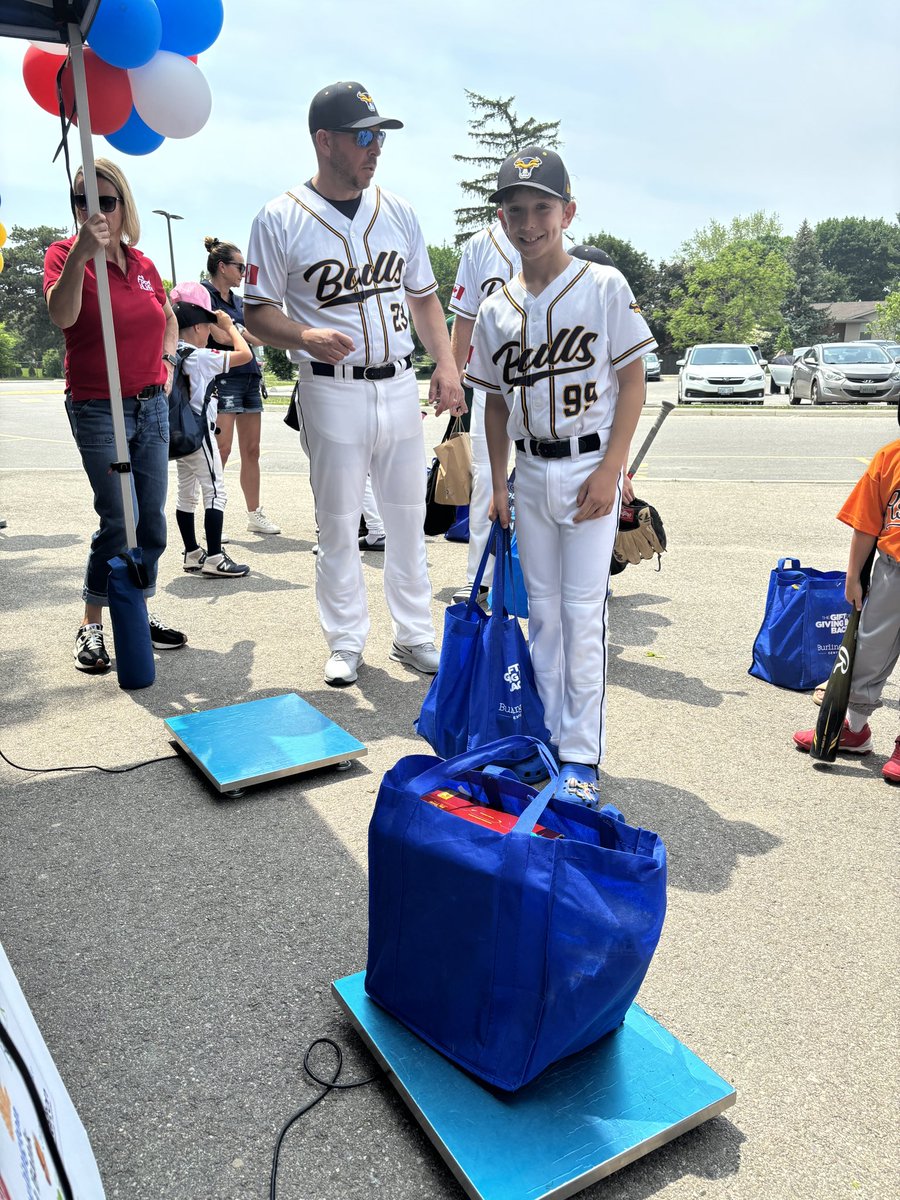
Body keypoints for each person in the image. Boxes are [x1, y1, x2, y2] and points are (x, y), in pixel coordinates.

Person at [244, 80, 463, 687]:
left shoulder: (398, 210)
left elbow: (424, 298)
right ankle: (345, 641)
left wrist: (446, 365)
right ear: (325, 140)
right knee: (339, 523)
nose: (375, 148)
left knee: (407, 519)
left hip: (398, 384)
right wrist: (303, 335)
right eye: (363, 136)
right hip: (329, 385)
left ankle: (414, 635)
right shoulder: (280, 217)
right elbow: (256, 312)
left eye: (379, 137)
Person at [465, 146, 655, 804]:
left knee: (582, 616)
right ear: (501, 219)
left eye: (542, 208)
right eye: (515, 210)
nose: (529, 223)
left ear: (567, 212)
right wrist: (497, 485)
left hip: (587, 466)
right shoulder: (496, 307)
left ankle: (580, 756)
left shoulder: (603, 286)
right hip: (529, 472)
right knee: (541, 615)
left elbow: (633, 382)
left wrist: (612, 469)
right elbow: (493, 404)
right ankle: (545, 739)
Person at [44, 157, 186, 673]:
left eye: (105, 201)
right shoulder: (64, 255)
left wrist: (168, 362)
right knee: (119, 518)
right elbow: (62, 315)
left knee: (151, 519)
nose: (94, 211)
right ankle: (92, 623)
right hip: (98, 405)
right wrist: (82, 255)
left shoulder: (144, 265)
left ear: (124, 206)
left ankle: (134, 607)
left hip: (150, 404)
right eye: (82, 201)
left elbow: (168, 318)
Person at [792, 436, 900, 784]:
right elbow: (866, 522)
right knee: (868, 651)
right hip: (891, 570)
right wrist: (853, 576)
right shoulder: (891, 456)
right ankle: (854, 728)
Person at [169, 281, 253, 578]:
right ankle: (215, 557)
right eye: (206, 326)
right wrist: (229, 327)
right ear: (195, 327)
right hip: (199, 433)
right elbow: (245, 355)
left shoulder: (171, 352)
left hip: (179, 435)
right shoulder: (200, 357)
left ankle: (192, 552)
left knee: (186, 493)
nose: (208, 333)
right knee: (215, 490)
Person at [200, 237, 281, 536]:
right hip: (222, 378)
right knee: (221, 450)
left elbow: (257, 336)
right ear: (222, 267)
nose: (244, 273)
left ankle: (254, 514)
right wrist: (241, 331)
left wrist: (239, 330)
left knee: (252, 450)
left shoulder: (238, 302)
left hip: (248, 376)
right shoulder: (204, 295)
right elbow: (219, 337)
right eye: (240, 267)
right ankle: (213, 519)